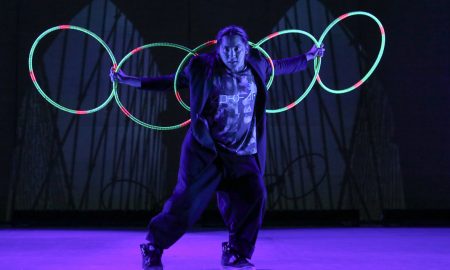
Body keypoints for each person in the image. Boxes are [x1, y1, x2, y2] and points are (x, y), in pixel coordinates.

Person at [110, 25, 324, 270]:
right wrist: (129, 81)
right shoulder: (202, 67)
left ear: (246, 49)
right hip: (206, 152)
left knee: (255, 196)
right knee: (186, 203)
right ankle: (153, 247)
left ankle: (236, 252)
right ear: (218, 49)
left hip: (243, 153)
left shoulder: (258, 64)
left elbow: (282, 66)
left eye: (237, 49)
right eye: (226, 49)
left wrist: (308, 57)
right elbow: (171, 81)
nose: (232, 54)